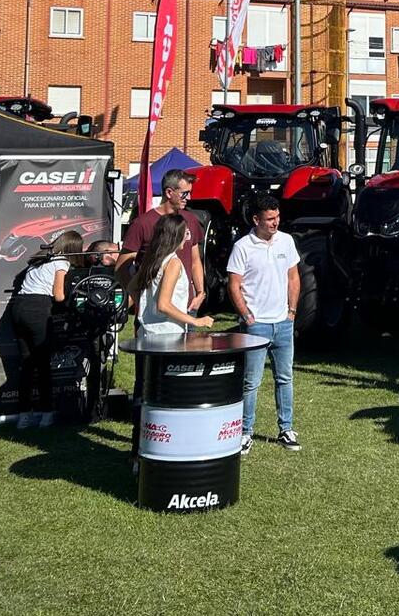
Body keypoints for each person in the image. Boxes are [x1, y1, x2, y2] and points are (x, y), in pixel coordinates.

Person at [227, 193, 301, 456]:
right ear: (256, 219)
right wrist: (247, 316)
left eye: (277, 217)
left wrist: (291, 312)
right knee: (251, 382)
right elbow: (233, 284)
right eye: (269, 219)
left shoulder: (287, 241)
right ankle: (245, 432)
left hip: (282, 323)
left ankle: (287, 429)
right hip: (256, 326)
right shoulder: (243, 247)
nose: (275, 223)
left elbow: (293, 277)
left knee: (285, 378)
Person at [9, 229, 82, 428]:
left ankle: (24, 416)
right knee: (42, 365)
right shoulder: (61, 262)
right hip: (38, 309)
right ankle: (46, 413)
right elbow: (58, 295)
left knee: (27, 364)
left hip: (18, 308)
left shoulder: (40, 260)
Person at [117, 168, 206, 313]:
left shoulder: (190, 219)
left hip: (186, 306)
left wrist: (200, 292)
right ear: (169, 193)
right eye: (184, 193)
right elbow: (121, 268)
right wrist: (138, 297)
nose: (188, 198)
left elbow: (195, 260)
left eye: (190, 193)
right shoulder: (143, 223)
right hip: (153, 310)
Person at [129, 213, 214, 337]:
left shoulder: (151, 258)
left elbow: (132, 287)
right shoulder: (173, 263)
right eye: (186, 233)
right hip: (168, 334)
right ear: (177, 235)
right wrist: (196, 321)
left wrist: (146, 305)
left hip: (147, 331)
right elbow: (164, 305)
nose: (187, 237)